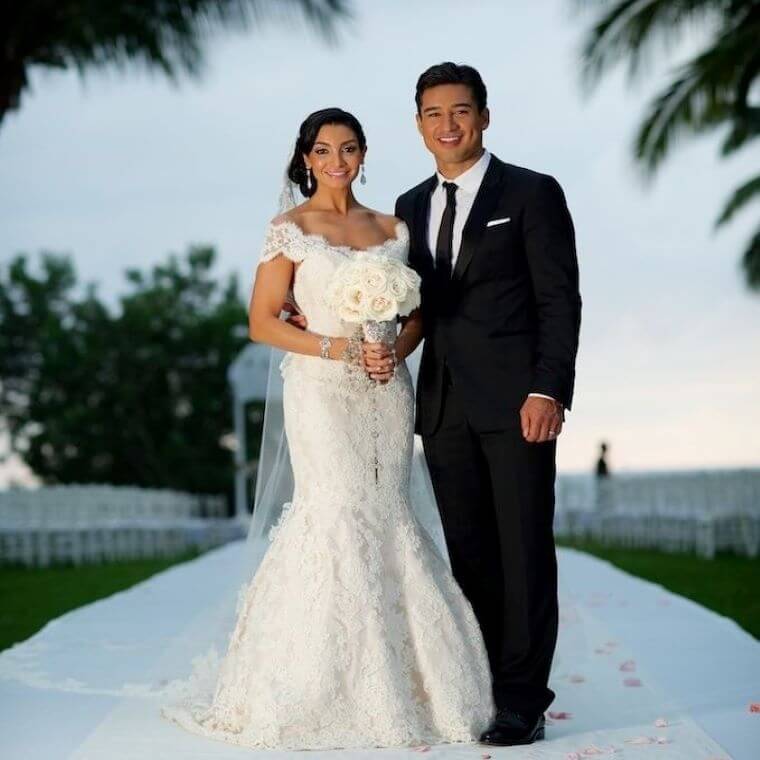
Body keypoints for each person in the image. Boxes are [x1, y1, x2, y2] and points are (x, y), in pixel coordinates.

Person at [160, 107, 494, 750]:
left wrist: (391, 352)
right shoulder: (290, 230)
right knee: (335, 510)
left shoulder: (394, 228)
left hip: (385, 392)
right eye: (322, 150)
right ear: (306, 159)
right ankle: (316, 684)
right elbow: (263, 321)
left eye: (347, 149)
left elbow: (419, 313)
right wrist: (337, 351)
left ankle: (421, 683)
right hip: (320, 390)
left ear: (364, 154)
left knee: (388, 511)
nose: (336, 161)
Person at [383, 62, 582, 747]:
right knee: (470, 555)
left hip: (519, 403)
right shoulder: (407, 207)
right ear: (418, 125)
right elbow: (409, 306)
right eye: (434, 114)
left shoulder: (529, 193)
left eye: (461, 111)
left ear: (485, 117)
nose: (449, 125)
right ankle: (487, 685)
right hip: (442, 407)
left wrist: (548, 388)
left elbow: (560, 300)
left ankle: (524, 700)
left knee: (524, 551)